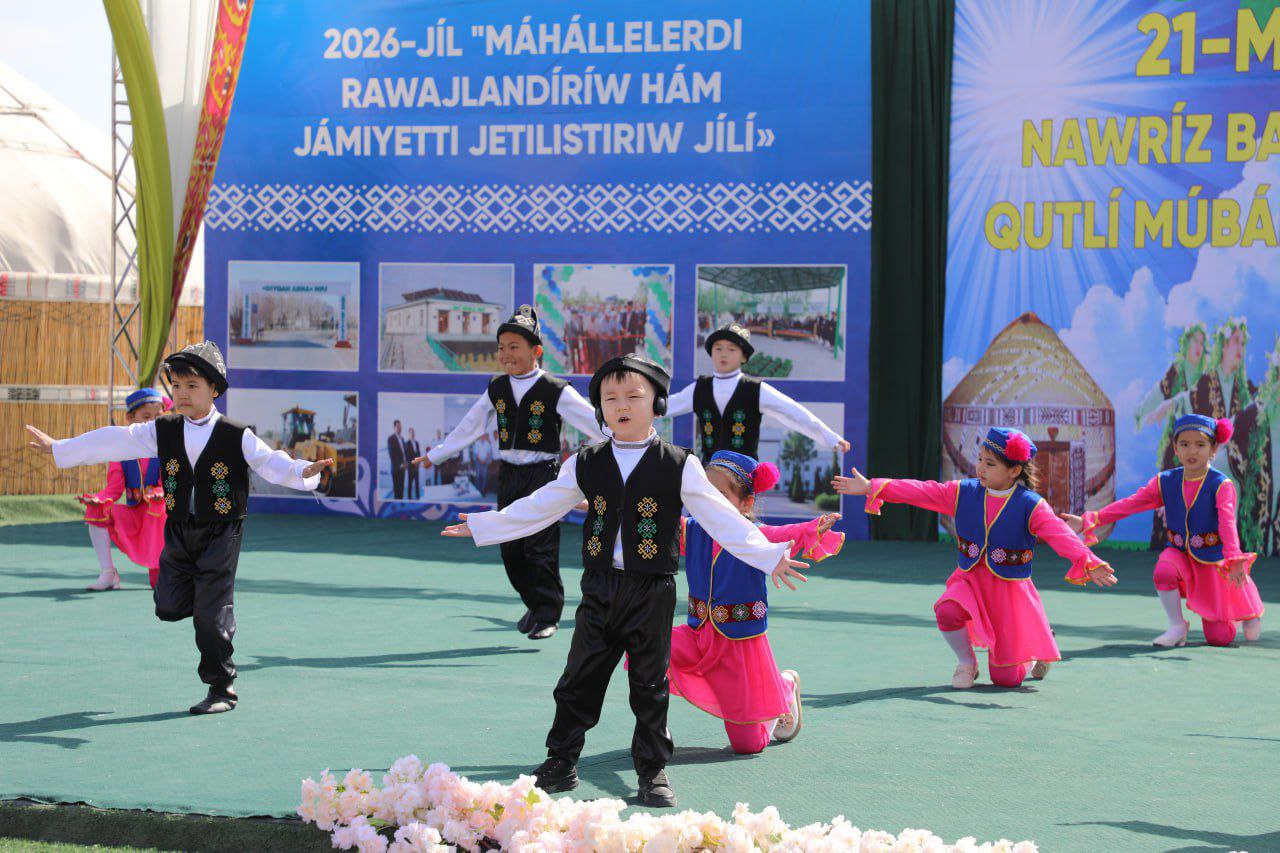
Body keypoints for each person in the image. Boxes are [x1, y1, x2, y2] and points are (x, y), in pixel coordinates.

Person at [441, 355, 808, 807]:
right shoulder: (586, 462)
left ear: (657, 404)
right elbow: (542, 504)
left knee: (650, 686)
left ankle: (652, 772)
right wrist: (486, 525)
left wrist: (769, 555)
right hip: (599, 587)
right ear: (599, 407)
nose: (622, 405)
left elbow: (721, 518)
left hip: (651, 591)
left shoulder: (679, 464)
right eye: (610, 397)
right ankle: (561, 761)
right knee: (578, 679)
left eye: (633, 396)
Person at [27, 341, 331, 715]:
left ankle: (221, 688)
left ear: (214, 389)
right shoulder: (163, 429)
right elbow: (115, 440)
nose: (182, 393)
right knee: (168, 606)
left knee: (210, 616)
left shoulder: (236, 434)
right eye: (176, 385)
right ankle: (209, 608)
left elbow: (272, 463)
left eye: (192, 385)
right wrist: (60, 448)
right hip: (178, 528)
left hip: (222, 531)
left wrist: (303, 471)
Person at [833, 427, 1116, 689]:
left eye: (990, 464)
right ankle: (966, 663)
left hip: (1008, 591)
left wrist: (1088, 560)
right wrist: (873, 486)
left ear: (1014, 470)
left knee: (1006, 680)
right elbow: (922, 490)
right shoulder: (963, 493)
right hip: (969, 579)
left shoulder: (1031, 505)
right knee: (947, 610)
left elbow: (1060, 534)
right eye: (980, 459)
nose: (980, 467)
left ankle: (1033, 648)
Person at [415, 306, 606, 639]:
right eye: (501, 347)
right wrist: (436, 455)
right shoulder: (497, 387)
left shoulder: (556, 389)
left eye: (514, 346)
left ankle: (547, 614)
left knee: (539, 546)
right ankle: (535, 603)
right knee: (510, 547)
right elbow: (470, 426)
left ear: (536, 351)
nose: (506, 354)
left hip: (542, 476)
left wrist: (626, 443)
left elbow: (592, 422)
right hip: (509, 475)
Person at [672, 450, 844, 754]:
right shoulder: (692, 530)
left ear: (746, 503)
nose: (711, 503)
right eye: (705, 493)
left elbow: (783, 534)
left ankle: (785, 686)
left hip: (739, 646)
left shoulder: (755, 535)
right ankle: (652, 730)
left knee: (747, 745)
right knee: (645, 645)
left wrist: (811, 529)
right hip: (698, 636)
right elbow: (650, 520)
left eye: (722, 495)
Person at [1062, 414, 1263, 646]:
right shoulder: (1165, 481)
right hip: (1178, 554)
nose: (1192, 451)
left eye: (1200, 445)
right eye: (1184, 444)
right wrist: (1088, 520)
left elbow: (1227, 524)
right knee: (1164, 571)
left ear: (1213, 449)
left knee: (1219, 638)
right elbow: (1131, 504)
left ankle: (1248, 612)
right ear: (1175, 449)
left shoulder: (1221, 485)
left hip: (1211, 560)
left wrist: (1234, 558)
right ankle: (1177, 626)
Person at [667, 321, 851, 460]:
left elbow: (793, 412)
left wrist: (830, 437)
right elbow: (666, 405)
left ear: (744, 356)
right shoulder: (699, 388)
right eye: (718, 348)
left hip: (744, 479)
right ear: (711, 352)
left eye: (731, 349)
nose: (723, 354)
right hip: (709, 475)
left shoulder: (755, 389)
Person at [79, 388, 170, 591]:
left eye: (158, 417)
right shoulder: (120, 451)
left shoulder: (168, 447)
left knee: (158, 584)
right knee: (96, 510)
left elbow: (169, 484)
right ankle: (108, 573)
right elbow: (114, 489)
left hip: (159, 516)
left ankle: (166, 567)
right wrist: (98, 499)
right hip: (135, 514)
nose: (152, 423)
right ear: (130, 418)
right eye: (146, 417)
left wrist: (160, 493)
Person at [387, 420, 408, 500]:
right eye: (398, 426)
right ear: (394, 427)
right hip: (396, 469)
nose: (399, 428)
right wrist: (400, 464)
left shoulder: (402, 439)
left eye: (400, 426)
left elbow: (404, 453)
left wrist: (406, 463)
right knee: (397, 492)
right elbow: (392, 455)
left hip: (403, 468)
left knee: (401, 491)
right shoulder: (391, 439)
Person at [405, 428, 422, 500]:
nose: (412, 434)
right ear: (409, 434)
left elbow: (419, 454)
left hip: (416, 466)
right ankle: (409, 498)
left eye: (413, 432)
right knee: (410, 483)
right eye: (411, 433)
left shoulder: (417, 443)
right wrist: (413, 462)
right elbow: (407, 456)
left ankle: (418, 497)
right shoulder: (407, 443)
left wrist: (418, 462)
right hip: (411, 467)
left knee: (417, 482)